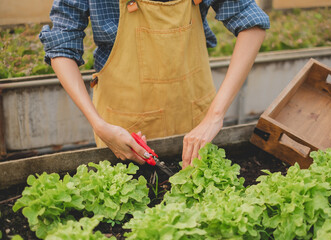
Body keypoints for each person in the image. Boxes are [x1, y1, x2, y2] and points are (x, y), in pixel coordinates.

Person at [39, 0, 269, 169]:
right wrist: (98, 124)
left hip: (194, 119)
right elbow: (61, 42)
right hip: (124, 128)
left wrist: (214, 116)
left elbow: (252, 23)